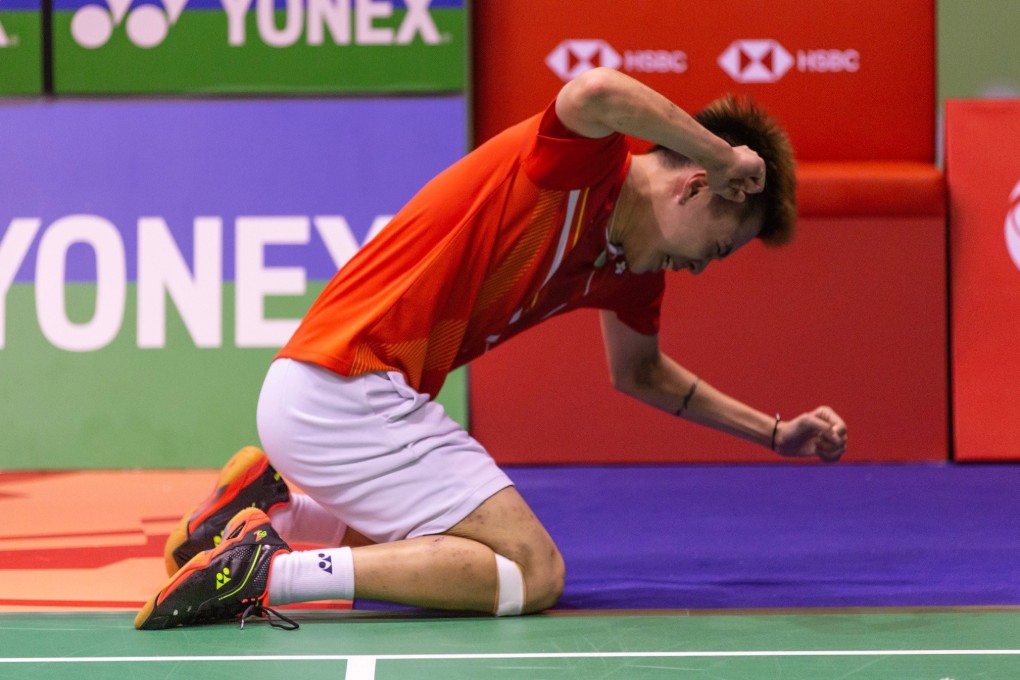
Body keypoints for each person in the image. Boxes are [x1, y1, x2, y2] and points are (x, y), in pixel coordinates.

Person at [135, 67, 848, 630]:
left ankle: (261, 520)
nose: (701, 268)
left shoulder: (628, 269)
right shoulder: (578, 168)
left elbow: (642, 373)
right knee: (530, 572)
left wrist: (776, 432)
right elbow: (595, 89)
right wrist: (722, 152)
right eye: (716, 249)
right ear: (698, 185)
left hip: (327, 396)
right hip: (351, 387)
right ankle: (267, 572)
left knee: (441, 559)